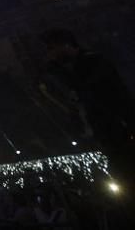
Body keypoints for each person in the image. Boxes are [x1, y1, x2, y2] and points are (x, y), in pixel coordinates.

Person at [42, 29, 135, 192]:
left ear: (64, 44)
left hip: (118, 128)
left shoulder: (92, 63)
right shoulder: (80, 66)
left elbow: (88, 91)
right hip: (106, 131)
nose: (51, 54)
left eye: (52, 48)